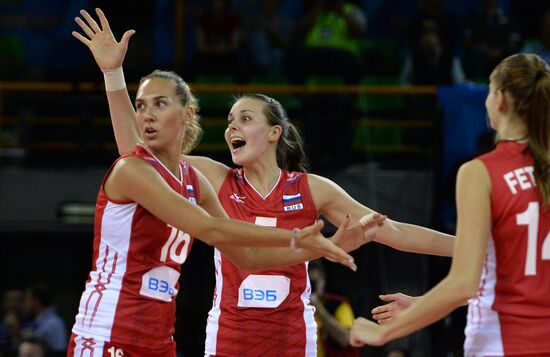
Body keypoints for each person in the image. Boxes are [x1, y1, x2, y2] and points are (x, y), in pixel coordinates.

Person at [76, 8, 456, 357]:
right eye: (228, 121)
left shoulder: (310, 188)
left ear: (274, 132)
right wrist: (113, 75)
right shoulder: (213, 176)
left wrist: (468, 246)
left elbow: (392, 231)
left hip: (292, 334)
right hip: (227, 335)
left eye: (244, 119)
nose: (231, 128)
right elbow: (139, 155)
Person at [350, 53, 550, 356]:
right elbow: (515, 277)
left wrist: (385, 332)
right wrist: (424, 306)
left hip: (501, 343)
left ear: (499, 99)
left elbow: (464, 283)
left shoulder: (481, 171)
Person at [309, 261, 360, 357]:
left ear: (323, 281)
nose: (312, 286)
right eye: (309, 282)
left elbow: (345, 338)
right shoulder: (300, 307)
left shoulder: (338, 304)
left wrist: (318, 307)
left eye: (315, 282)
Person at [20, 284, 67, 354]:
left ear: (36, 301)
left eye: (27, 298)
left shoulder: (54, 323)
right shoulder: (36, 320)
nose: (25, 303)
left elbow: (60, 351)